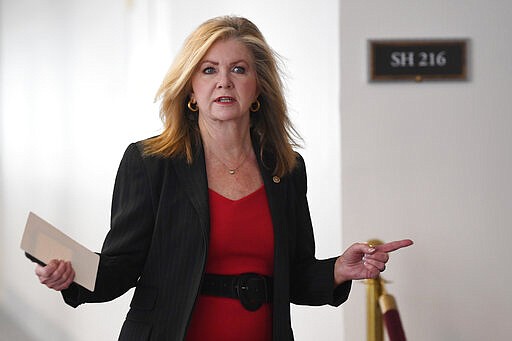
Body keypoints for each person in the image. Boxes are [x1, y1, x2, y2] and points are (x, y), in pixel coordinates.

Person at [34, 15, 413, 341]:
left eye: (239, 69)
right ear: (191, 90)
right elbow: (121, 267)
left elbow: (294, 276)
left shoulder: (287, 168)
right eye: (209, 69)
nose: (224, 82)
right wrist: (70, 275)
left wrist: (336, 270)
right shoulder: (150, 163)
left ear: (258, 87)